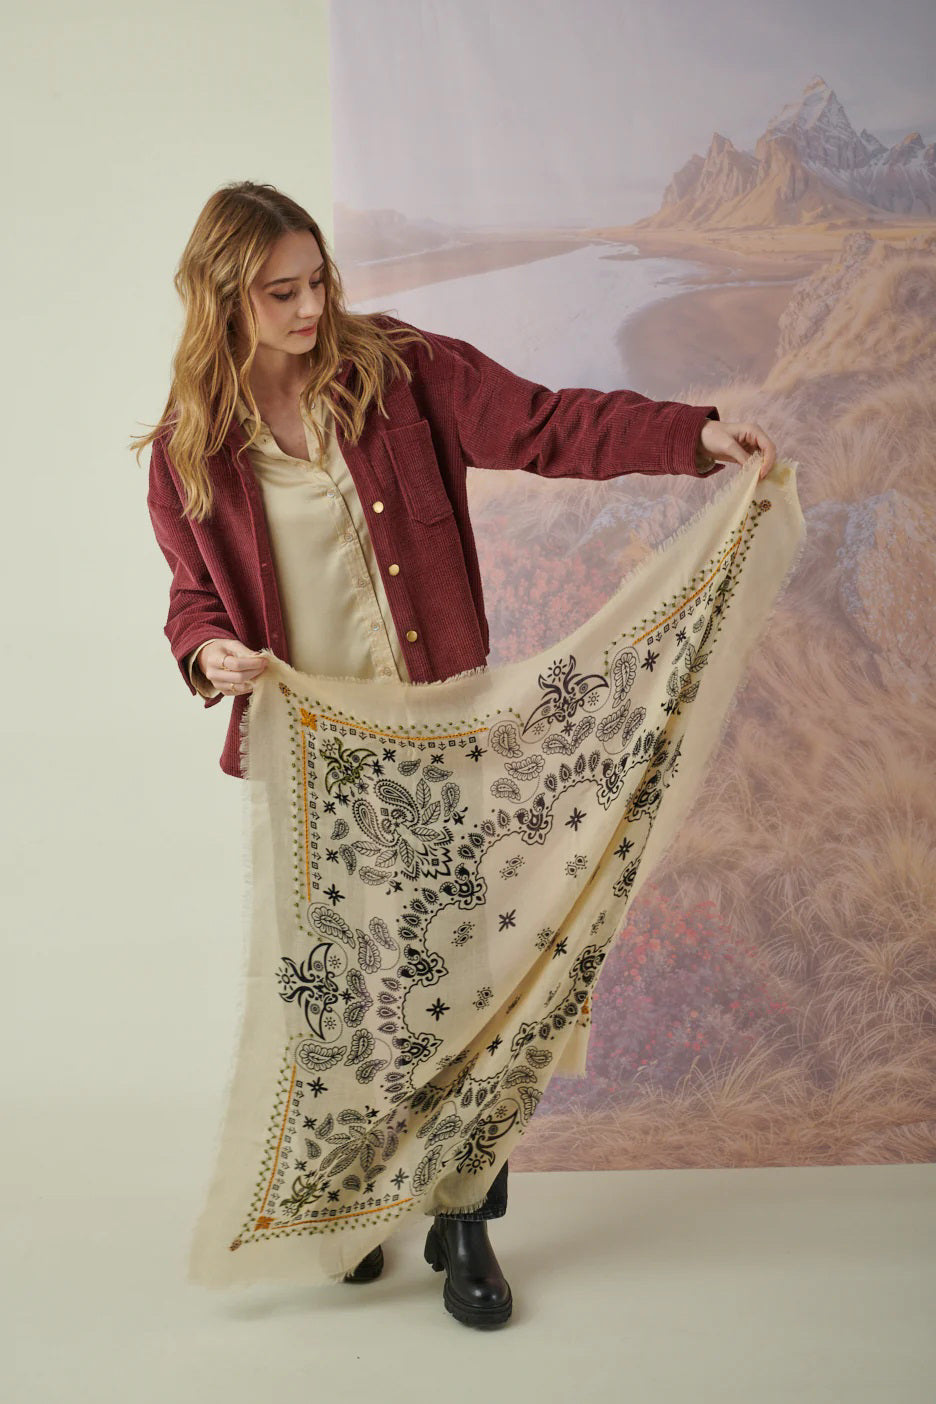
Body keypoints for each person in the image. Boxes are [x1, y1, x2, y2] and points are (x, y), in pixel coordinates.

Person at [135, 180, 775, 1328]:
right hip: (320, 762)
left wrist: (691, 434)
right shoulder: (189, 455)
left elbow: (544, 421)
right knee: (349, 997)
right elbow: (190, 601)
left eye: (318, 280)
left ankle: (466, 1220)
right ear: (225, 300)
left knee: (464, 988)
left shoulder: (400, 372)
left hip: (440, 739)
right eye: (280, 292)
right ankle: (355, 1205)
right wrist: (210, 654)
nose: (311, 307)